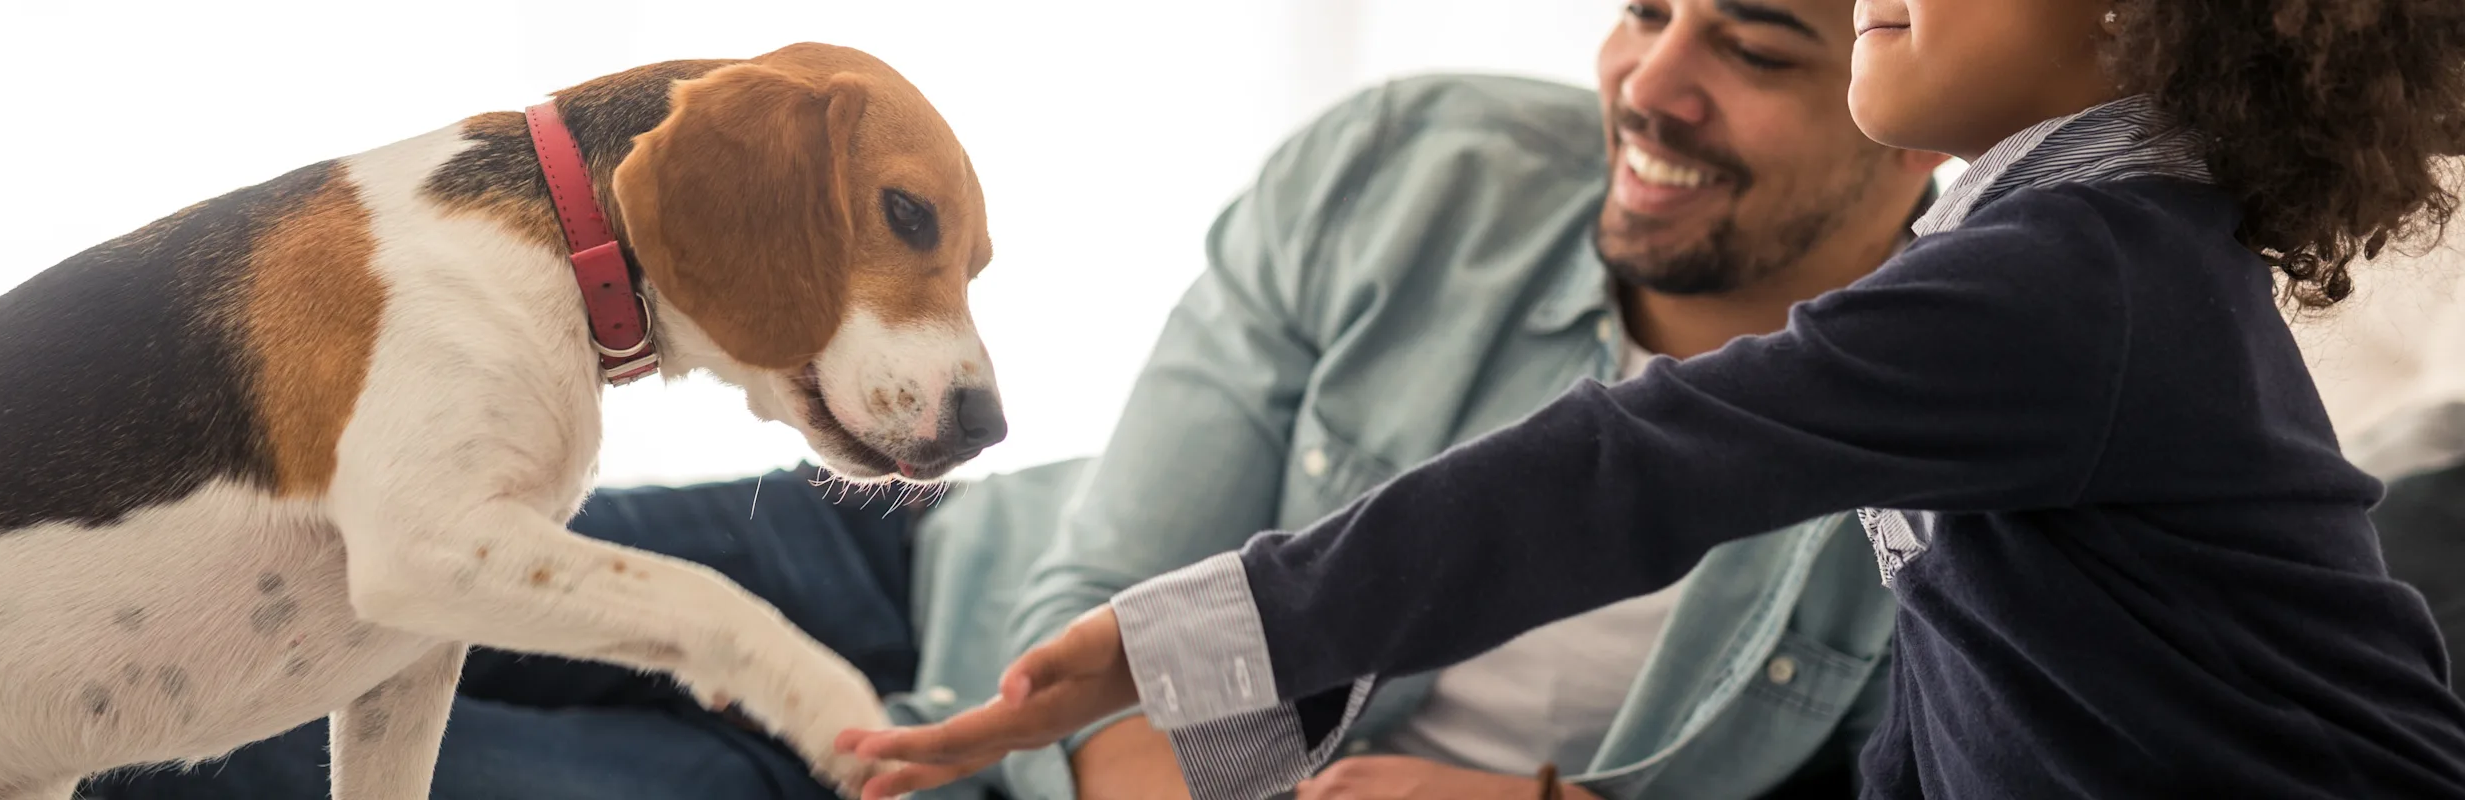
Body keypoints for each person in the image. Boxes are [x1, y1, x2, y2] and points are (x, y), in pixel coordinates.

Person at [80, 0, 1946, 797]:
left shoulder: (1972, 427)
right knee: (234, 595)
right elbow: (1108, 586)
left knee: (222, 761)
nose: (1654, 84)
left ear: (1905, 74)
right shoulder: (1412, 169)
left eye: (1755, 48)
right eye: (1643, 11)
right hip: (915, 570)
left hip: (913, 764)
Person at [840, 0, 2465, 798]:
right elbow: (1971, 699)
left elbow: (1627, 469)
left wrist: (1173, 643)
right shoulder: (2064, 255)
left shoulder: (2079, 277)